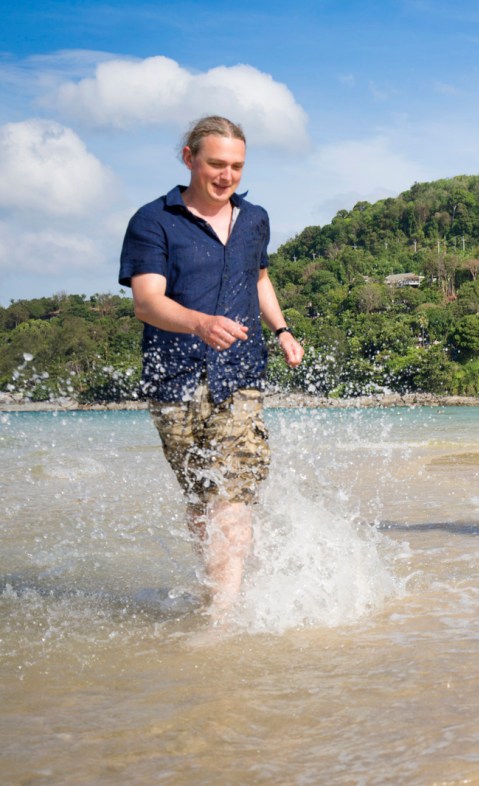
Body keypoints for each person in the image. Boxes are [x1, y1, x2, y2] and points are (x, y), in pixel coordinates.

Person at [118, 116, 304, 616]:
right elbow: (147, 302)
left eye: (237, 167)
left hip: (241, 373)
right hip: (174, 379)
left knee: (235, 488)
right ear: (189, 158)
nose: (227, 176)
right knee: (202, 497)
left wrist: (283, 330)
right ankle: (218, 589)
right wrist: (200, 323)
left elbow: (260, 278)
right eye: (216, 164)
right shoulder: (152, 221)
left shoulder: (255, 219)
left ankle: (223, 615)